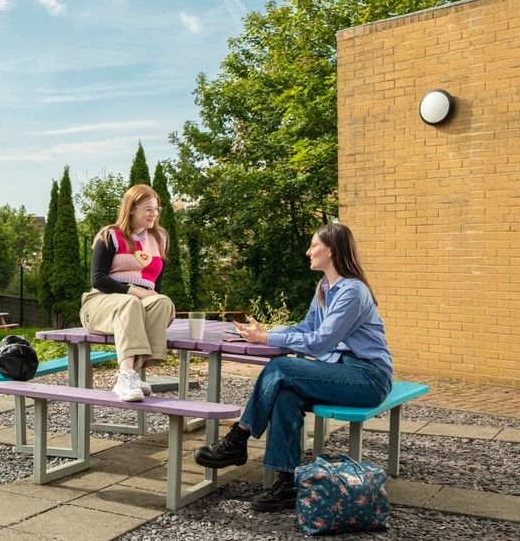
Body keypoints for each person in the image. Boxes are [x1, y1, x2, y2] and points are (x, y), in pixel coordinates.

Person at [193, 222, 393, 512]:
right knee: (286, 394)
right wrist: (267, 332)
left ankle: (239, 437)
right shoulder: (325, 287)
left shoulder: (352, 291)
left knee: (282, 368)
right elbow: (306, 327)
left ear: (332, 251)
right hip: (339, 372)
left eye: (314, 245)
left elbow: (321, 341)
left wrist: (269, 338)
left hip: (367, 377)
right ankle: (286, 483)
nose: (308, 251)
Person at [79, 184, 176, 403]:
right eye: (148, 209)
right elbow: (98, 279)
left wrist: (149, 296)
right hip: (100, 303)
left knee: (163, 302)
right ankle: (125, 376)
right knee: (129, 303)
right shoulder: (110, 235)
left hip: (135, 306)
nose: (154, 214)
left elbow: (155, 285)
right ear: (131, 208)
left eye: (156, 209)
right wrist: (136, 292)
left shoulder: (160, 237)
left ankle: (133, 371)